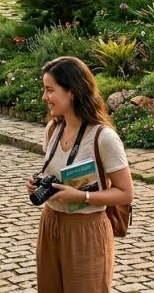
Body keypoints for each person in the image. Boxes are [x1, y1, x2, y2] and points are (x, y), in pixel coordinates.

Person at [26, 56, 134, 293]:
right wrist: (38, 186)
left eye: (49, 90)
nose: (44, 97)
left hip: (86, 229)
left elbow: (125, 193)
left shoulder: (104, 138)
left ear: (72, 92)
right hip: (50, 223)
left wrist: (82, 197)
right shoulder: (53, 128)